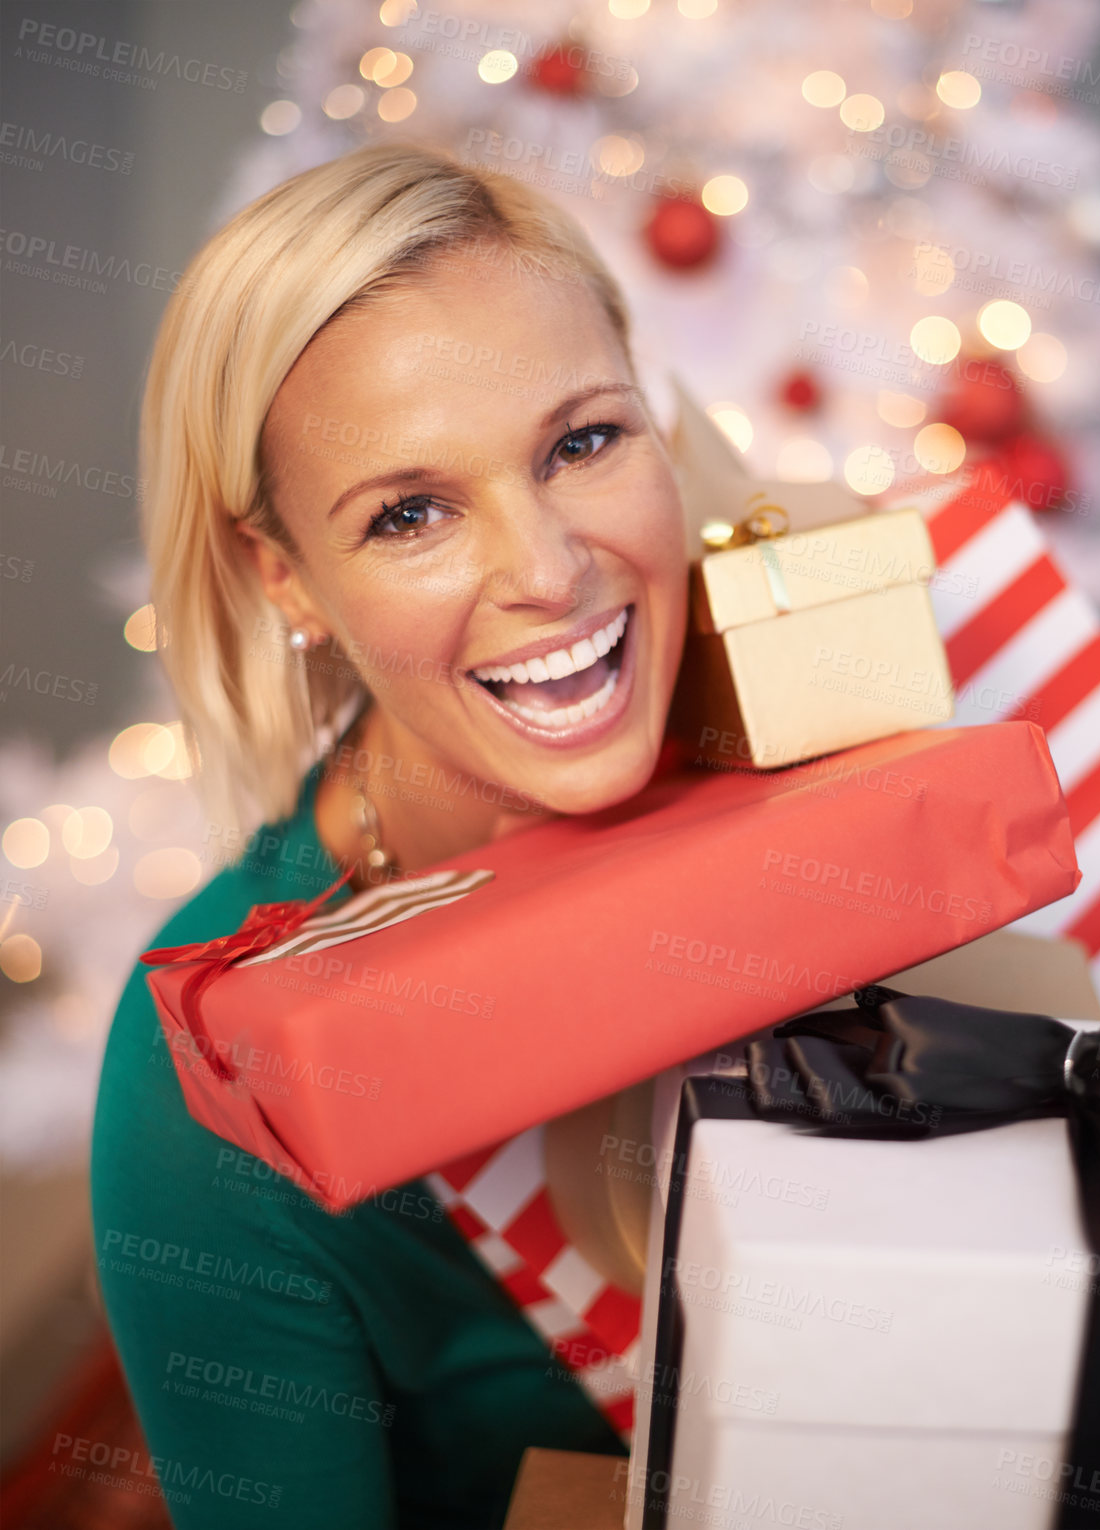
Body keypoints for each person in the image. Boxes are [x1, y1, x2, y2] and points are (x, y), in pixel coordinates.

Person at [90, 140, 691, 1528]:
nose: (547, 571)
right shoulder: (219, 1080)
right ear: (286, 573)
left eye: (583, 440)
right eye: (411, 514)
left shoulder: (858, 779)